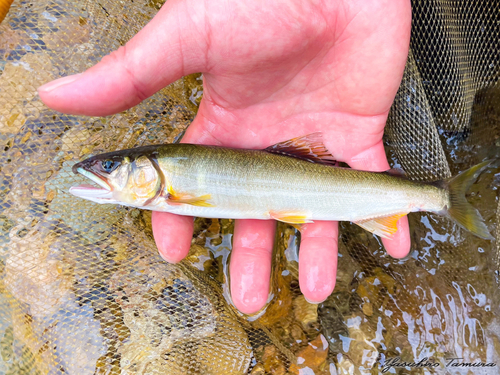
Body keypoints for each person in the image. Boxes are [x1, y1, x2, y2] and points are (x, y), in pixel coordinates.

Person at [38, 0, 412, 314]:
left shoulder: (173, 194)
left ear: (148, 169)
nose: (102, 171)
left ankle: (438, 196)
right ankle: (436, 196)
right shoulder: (168, 185)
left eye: (109, 167)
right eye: (108, 166)